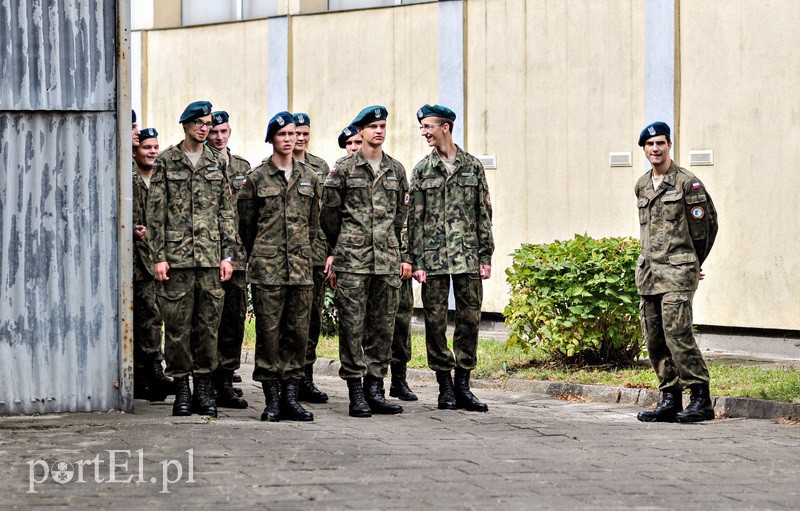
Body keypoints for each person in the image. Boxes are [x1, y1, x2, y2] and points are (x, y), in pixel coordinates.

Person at [320, 105, 410, 418]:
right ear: (360, 131)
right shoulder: (343, 169)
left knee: (383, 327)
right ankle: (355, 392)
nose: (379, 131)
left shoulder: (396, 170)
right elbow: (329, 214)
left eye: (383, 126)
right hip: (352, 262)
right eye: (373, 127)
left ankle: (376, 389)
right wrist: (340, 246)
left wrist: (395, 246)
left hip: (385, 261)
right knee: (352, 327)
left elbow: (402, 214)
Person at [148, 100, 235, 418]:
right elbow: (155, 212)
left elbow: (226, 212)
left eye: (208, 123)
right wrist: (158, 257)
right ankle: (181, 391)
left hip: (211, 260)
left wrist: (228, 255)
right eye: (198, 122)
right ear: (185, 125)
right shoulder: (167, 161)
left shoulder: (217, 161)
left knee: (208, 327)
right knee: (177, 328)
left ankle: (203, 390)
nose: (205, 127)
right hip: (178, 260)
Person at [408, 104, 494, 412]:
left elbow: (484, 213)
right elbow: (413, 220)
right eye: (422, 128)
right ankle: (444, 385)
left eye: (429, 126)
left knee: (470, 320)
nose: (424, 132)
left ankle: (463, 385)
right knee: (434, 321)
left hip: (468, 257)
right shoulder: (421, 170)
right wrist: (416, 260)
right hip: (432, 259)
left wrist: (486, 254)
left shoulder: (472, 166)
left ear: (446, 127)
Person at [634, 121, 719, 423]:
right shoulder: (642, 185)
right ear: (644, 149)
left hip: (678, 272)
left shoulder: (687, 183)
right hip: (649, 274)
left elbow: (706, 227)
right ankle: (670, 397)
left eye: (660, 143)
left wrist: (693, 262)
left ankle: (700, 398)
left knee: (677, 334)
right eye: (649, 144)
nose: (655, 149)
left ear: (669, 145)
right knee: (654, 338)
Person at [239, 111, 319, 422]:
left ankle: (291, 398)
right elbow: (246, 225)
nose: (288, 139)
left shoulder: (310, 177)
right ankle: (271, 400)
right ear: (272, 138)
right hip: (267, 269)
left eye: (292, 134)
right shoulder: (257, 177)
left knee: (297, 334)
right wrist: (256, 255)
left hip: (300, 269)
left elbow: (314, 225)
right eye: (282, 134)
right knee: (269, 334)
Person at [203, 110, 250, 409]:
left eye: (224, 131)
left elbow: (250, 215)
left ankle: (226, 379)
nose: (219, 137)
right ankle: (205, 381)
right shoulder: (201, 164)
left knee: (233, 320)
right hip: (207, 255)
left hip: (239, 257)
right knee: (208, 321)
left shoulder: (243, 167)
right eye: (214, 132)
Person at [132, 127, 175, 401]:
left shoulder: (162, 178)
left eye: (155, 147)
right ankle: (143, 374)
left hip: (157, 259)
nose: (152, 151)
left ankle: (152, 372)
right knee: (142, 316)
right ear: (135, 151)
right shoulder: (128, 177)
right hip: (135, 260)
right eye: (147, 147)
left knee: (155, 316)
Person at [291, 112, 330, 404]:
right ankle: (286, 378)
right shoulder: (274, 168)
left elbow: (326, 215)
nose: (300, 138)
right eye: (296, 133)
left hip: (315, 256)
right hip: (287, 257)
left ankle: (306, 377)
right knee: (290, 320)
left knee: (313, 319)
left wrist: (330, 254)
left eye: (305, 133)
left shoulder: (320, 167)